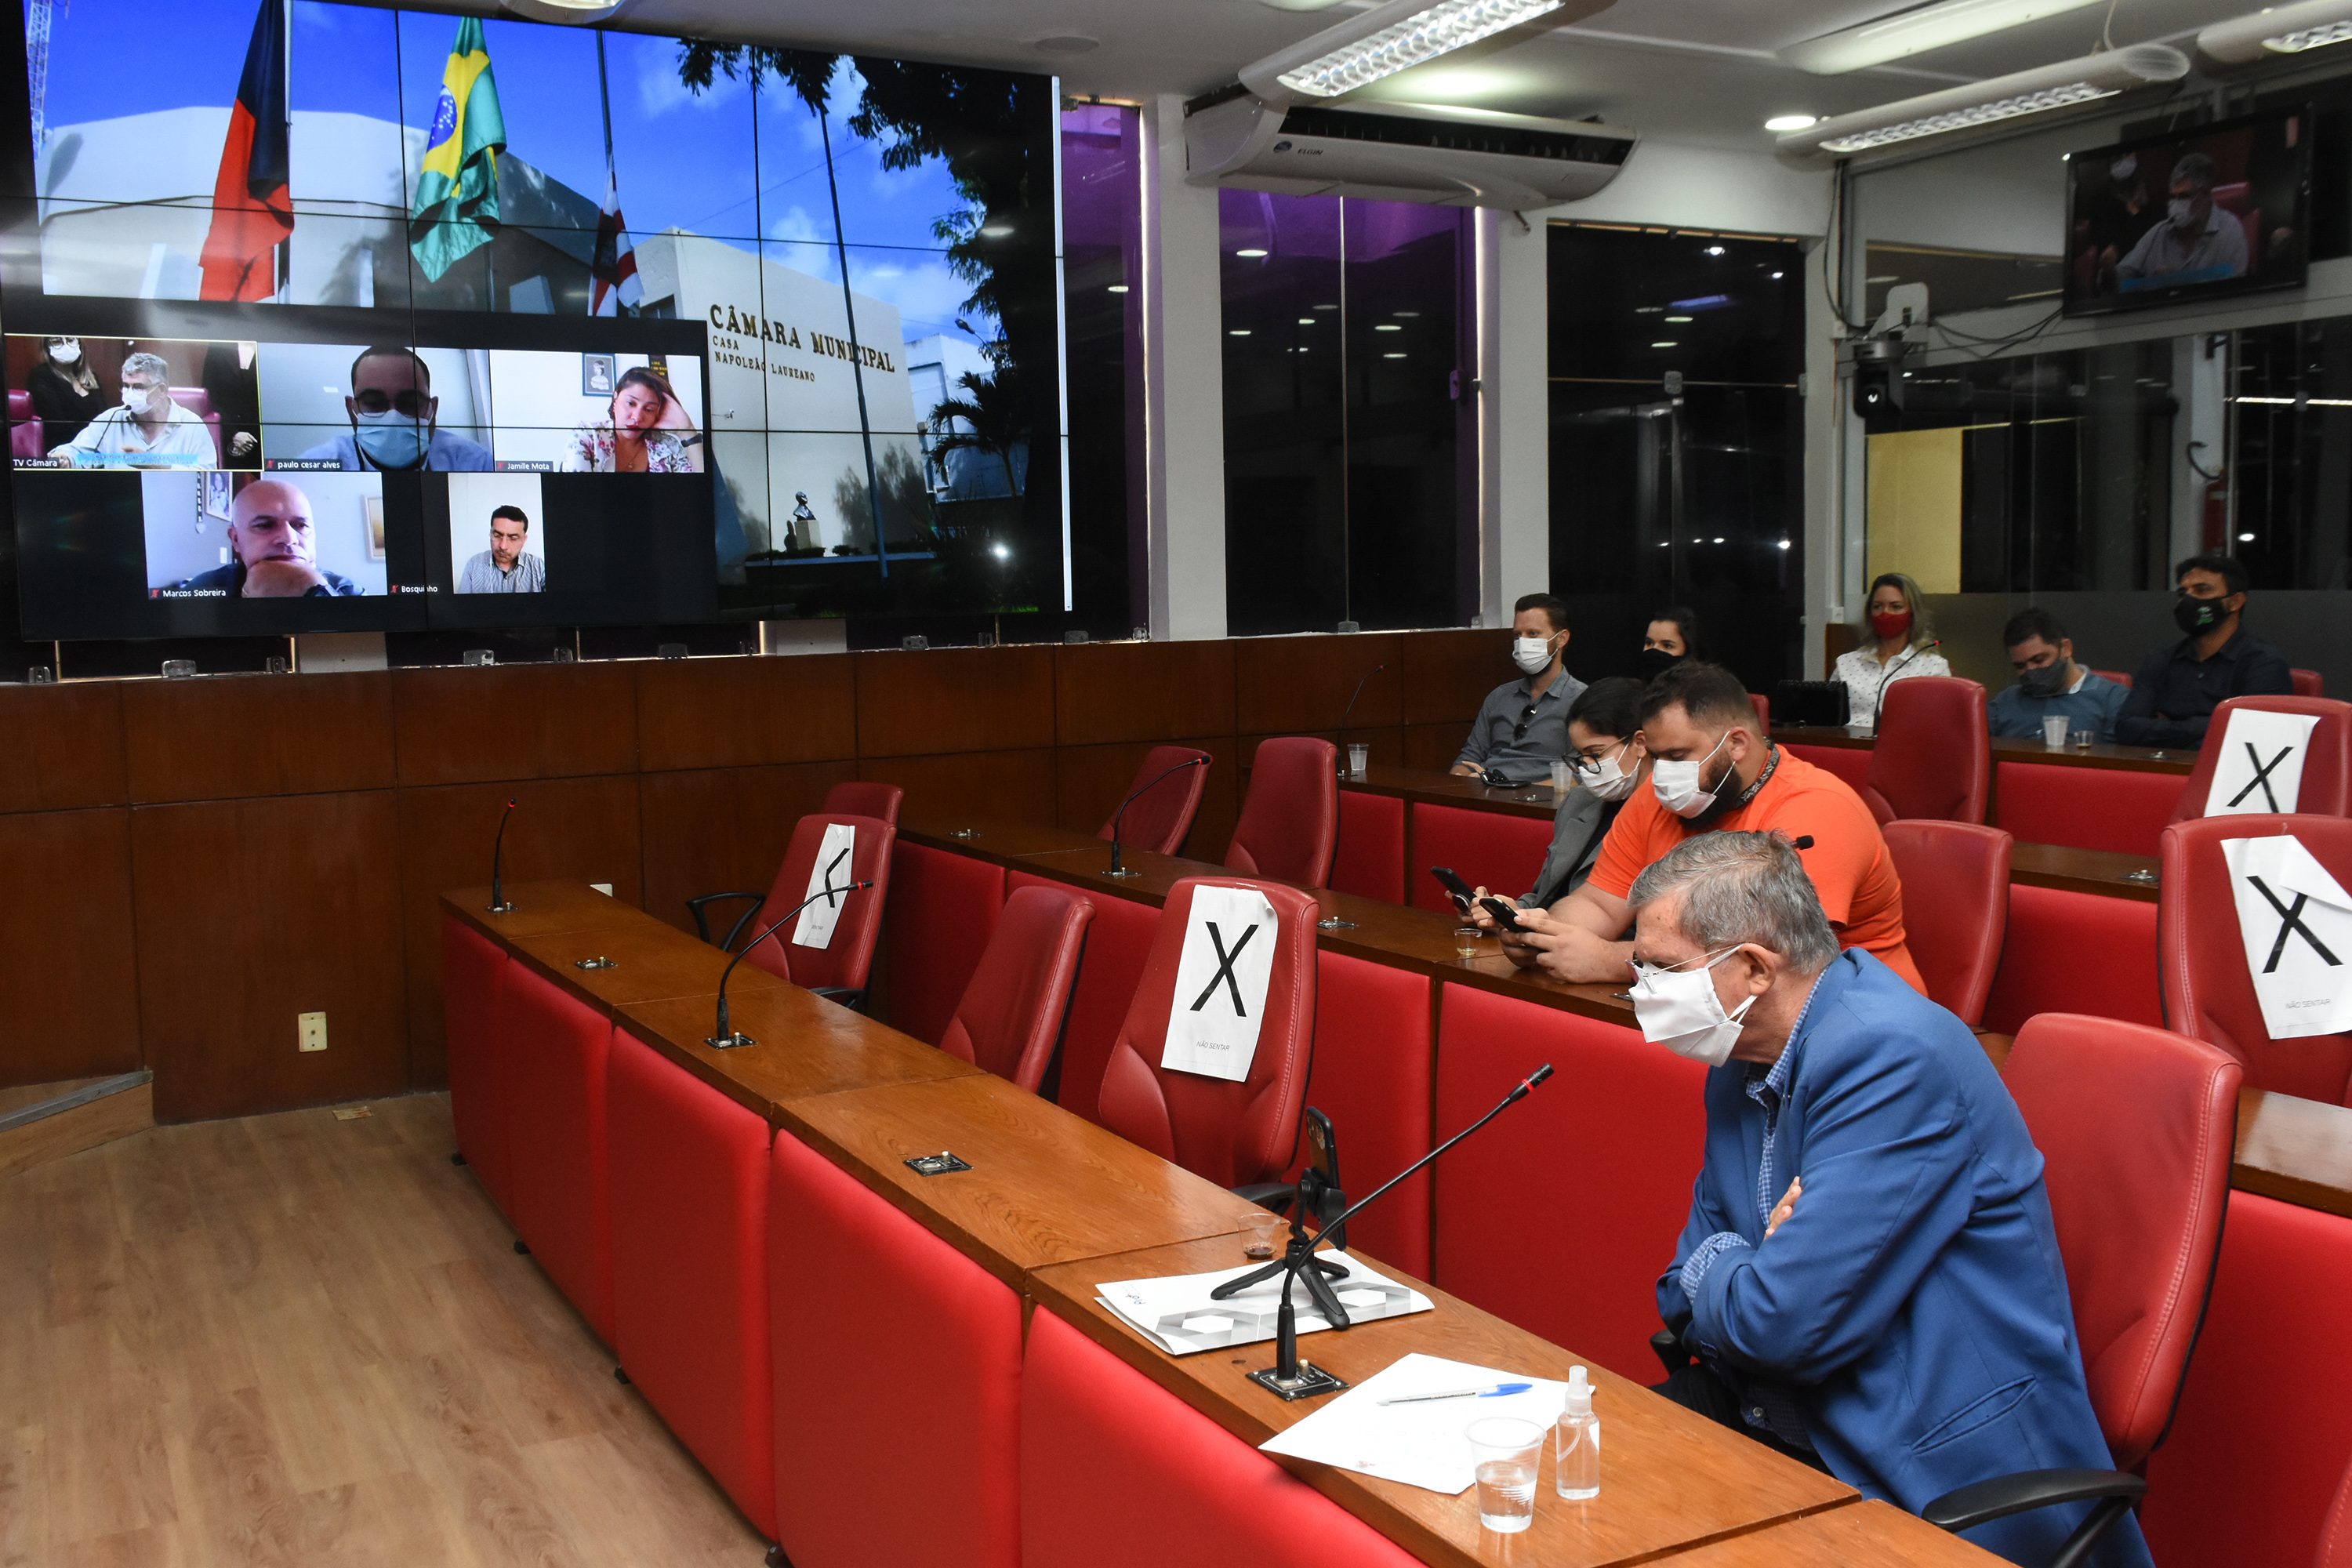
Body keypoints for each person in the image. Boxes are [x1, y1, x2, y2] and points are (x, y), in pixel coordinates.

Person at [1633, 831, 2152, 1568]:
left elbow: (1778, 1324)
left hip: (1917, 1458)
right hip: (1774, 1410)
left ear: (1753, 968)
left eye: (1661, 969)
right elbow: (1676, 1290)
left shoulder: (1889, 1055)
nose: (1641, 991)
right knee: (1577, 1480)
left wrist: (1729, 1266)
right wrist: (1740, 1264)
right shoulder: (1740, 1060)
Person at [1479, 660, 1923, 993]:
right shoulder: (1654, 798)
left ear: (1737, 744)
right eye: (1657, 756)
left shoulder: (1816, 808)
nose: (1663, 774)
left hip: (1854, 1012)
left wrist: (1611, 961)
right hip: (1711, 1006)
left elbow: (1761, 955)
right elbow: (1599, 903)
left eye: (1678, 757)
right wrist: (1545, 936)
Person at [1470, 677, 1651, 913]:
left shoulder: (1664, 815)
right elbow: (1543, 897)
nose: (1586, 767)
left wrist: (1540, 923)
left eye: (1596, 754)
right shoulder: (1578, 801)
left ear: (1640, 743)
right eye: (1580, 756)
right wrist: (1511, 912)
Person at [2115, 553, 2293, 748]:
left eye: (2202, 590)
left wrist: (2166, 728)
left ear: (2235, 602)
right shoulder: (2161, 659)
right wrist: (2215, 725)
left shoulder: (2263, 664)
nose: (2188, 600)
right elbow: (2126, 729)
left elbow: (2254, 735)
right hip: (2163, 765)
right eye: (2183, 593)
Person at [1451, 593, 1586, 784]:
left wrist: (1513, 791)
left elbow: (1583, 776)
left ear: (1561, 639)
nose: (1523, 643)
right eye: (1517, 635)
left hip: (1539, 797)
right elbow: (1468, 758)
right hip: (1486, 791)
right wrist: (1459, 783)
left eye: (1533, 634)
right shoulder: (1499, 696)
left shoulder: (1583, 701)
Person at [294, 346, 492, 472]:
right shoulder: (313, 466)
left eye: (411, 403)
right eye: (374, 403)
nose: (393, 418)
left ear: (432, 409)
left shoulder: (477, 463)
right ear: (351, 409)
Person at [170, 478, 361, 597]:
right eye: (265, 525)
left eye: (300, 525)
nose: (289, 538)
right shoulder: (202, 590)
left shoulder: (348, 592)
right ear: (236, 540)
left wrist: (317, 591)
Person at [48, 352, 217, 468]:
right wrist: (65, 457)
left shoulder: (192, 425)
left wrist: (154, 465)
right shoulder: (111, 419)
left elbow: (206, 474)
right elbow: (77, 451)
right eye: (125, 386)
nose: (129, 393)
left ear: (161, 390)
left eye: (138, 387)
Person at [1987, 607, 2129, 742]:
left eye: (2039, 660)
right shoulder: (2006, 701)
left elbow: (2117, 756)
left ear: (2066, 648)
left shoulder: (2112, 698)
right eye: (2020, 666)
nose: (2031, 670)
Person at [1830, 572, 1948, 732]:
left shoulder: (1934, 667)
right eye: (1878, 606)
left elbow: (1941, 725)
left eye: (1896, 607)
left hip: (1904, 745)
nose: (1885, 614)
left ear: (1913, 614)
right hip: (1848, 745)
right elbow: (1827, 718)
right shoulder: (1846, 663)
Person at [2114, 152, 2249, 287]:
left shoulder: (2230, 231)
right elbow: (2122, 274)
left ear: (2205, 194)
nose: (2177, 205)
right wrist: (2110, 272)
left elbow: (2235, 289)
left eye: (2184, 196)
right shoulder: (2160, 232)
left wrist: (2177, 281)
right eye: (2173, 197)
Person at [567, 366, 696, 474]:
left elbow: (700, 488)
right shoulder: (588, 436)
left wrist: (688, 431)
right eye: (630, 403)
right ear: (615, 398)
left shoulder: (668, 447)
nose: (637, 417)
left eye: (649, 409)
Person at [24, 336, 107, 451]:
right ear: (47, 348)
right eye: (57, 342)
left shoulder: (92, 378)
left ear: (79, 343)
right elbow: (57, 425)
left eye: (70, 340)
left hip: (98, 449)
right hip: (64, 450)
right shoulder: (41, 375)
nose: (65, 346)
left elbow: (105, 418)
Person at [456, 504, 545, 594]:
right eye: (497, 536)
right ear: (491, 534)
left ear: (524, 540)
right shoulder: (474, 565)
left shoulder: (538, 566)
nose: (503, 546)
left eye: (513, 538)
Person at [1639, 606, 1700, 681]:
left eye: (1667, 646)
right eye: (1649, 643)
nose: (1654, 650)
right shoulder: (1631, 686)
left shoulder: (1704, 687)